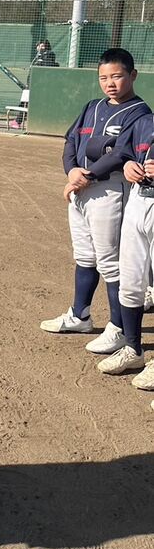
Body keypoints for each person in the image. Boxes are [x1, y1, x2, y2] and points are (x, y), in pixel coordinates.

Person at [40, 48, 150, 353]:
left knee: (111, 263)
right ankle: (80, 315)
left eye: (117, 76)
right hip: (80, 189)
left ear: (132, 75)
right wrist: (71, 171)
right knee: (84, 256)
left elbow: (122, 153)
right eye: (103, 77)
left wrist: (85, 175)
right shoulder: (92, 106)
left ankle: (118, 328)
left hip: (110, 190)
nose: (110, 83)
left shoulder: (139, 113)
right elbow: (71, 141)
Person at [102, 112, 154, 383]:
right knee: (131, 282)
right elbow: (124, 154)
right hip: (138, 202)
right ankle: (133, 349)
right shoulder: (144, 122)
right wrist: (128, 166)